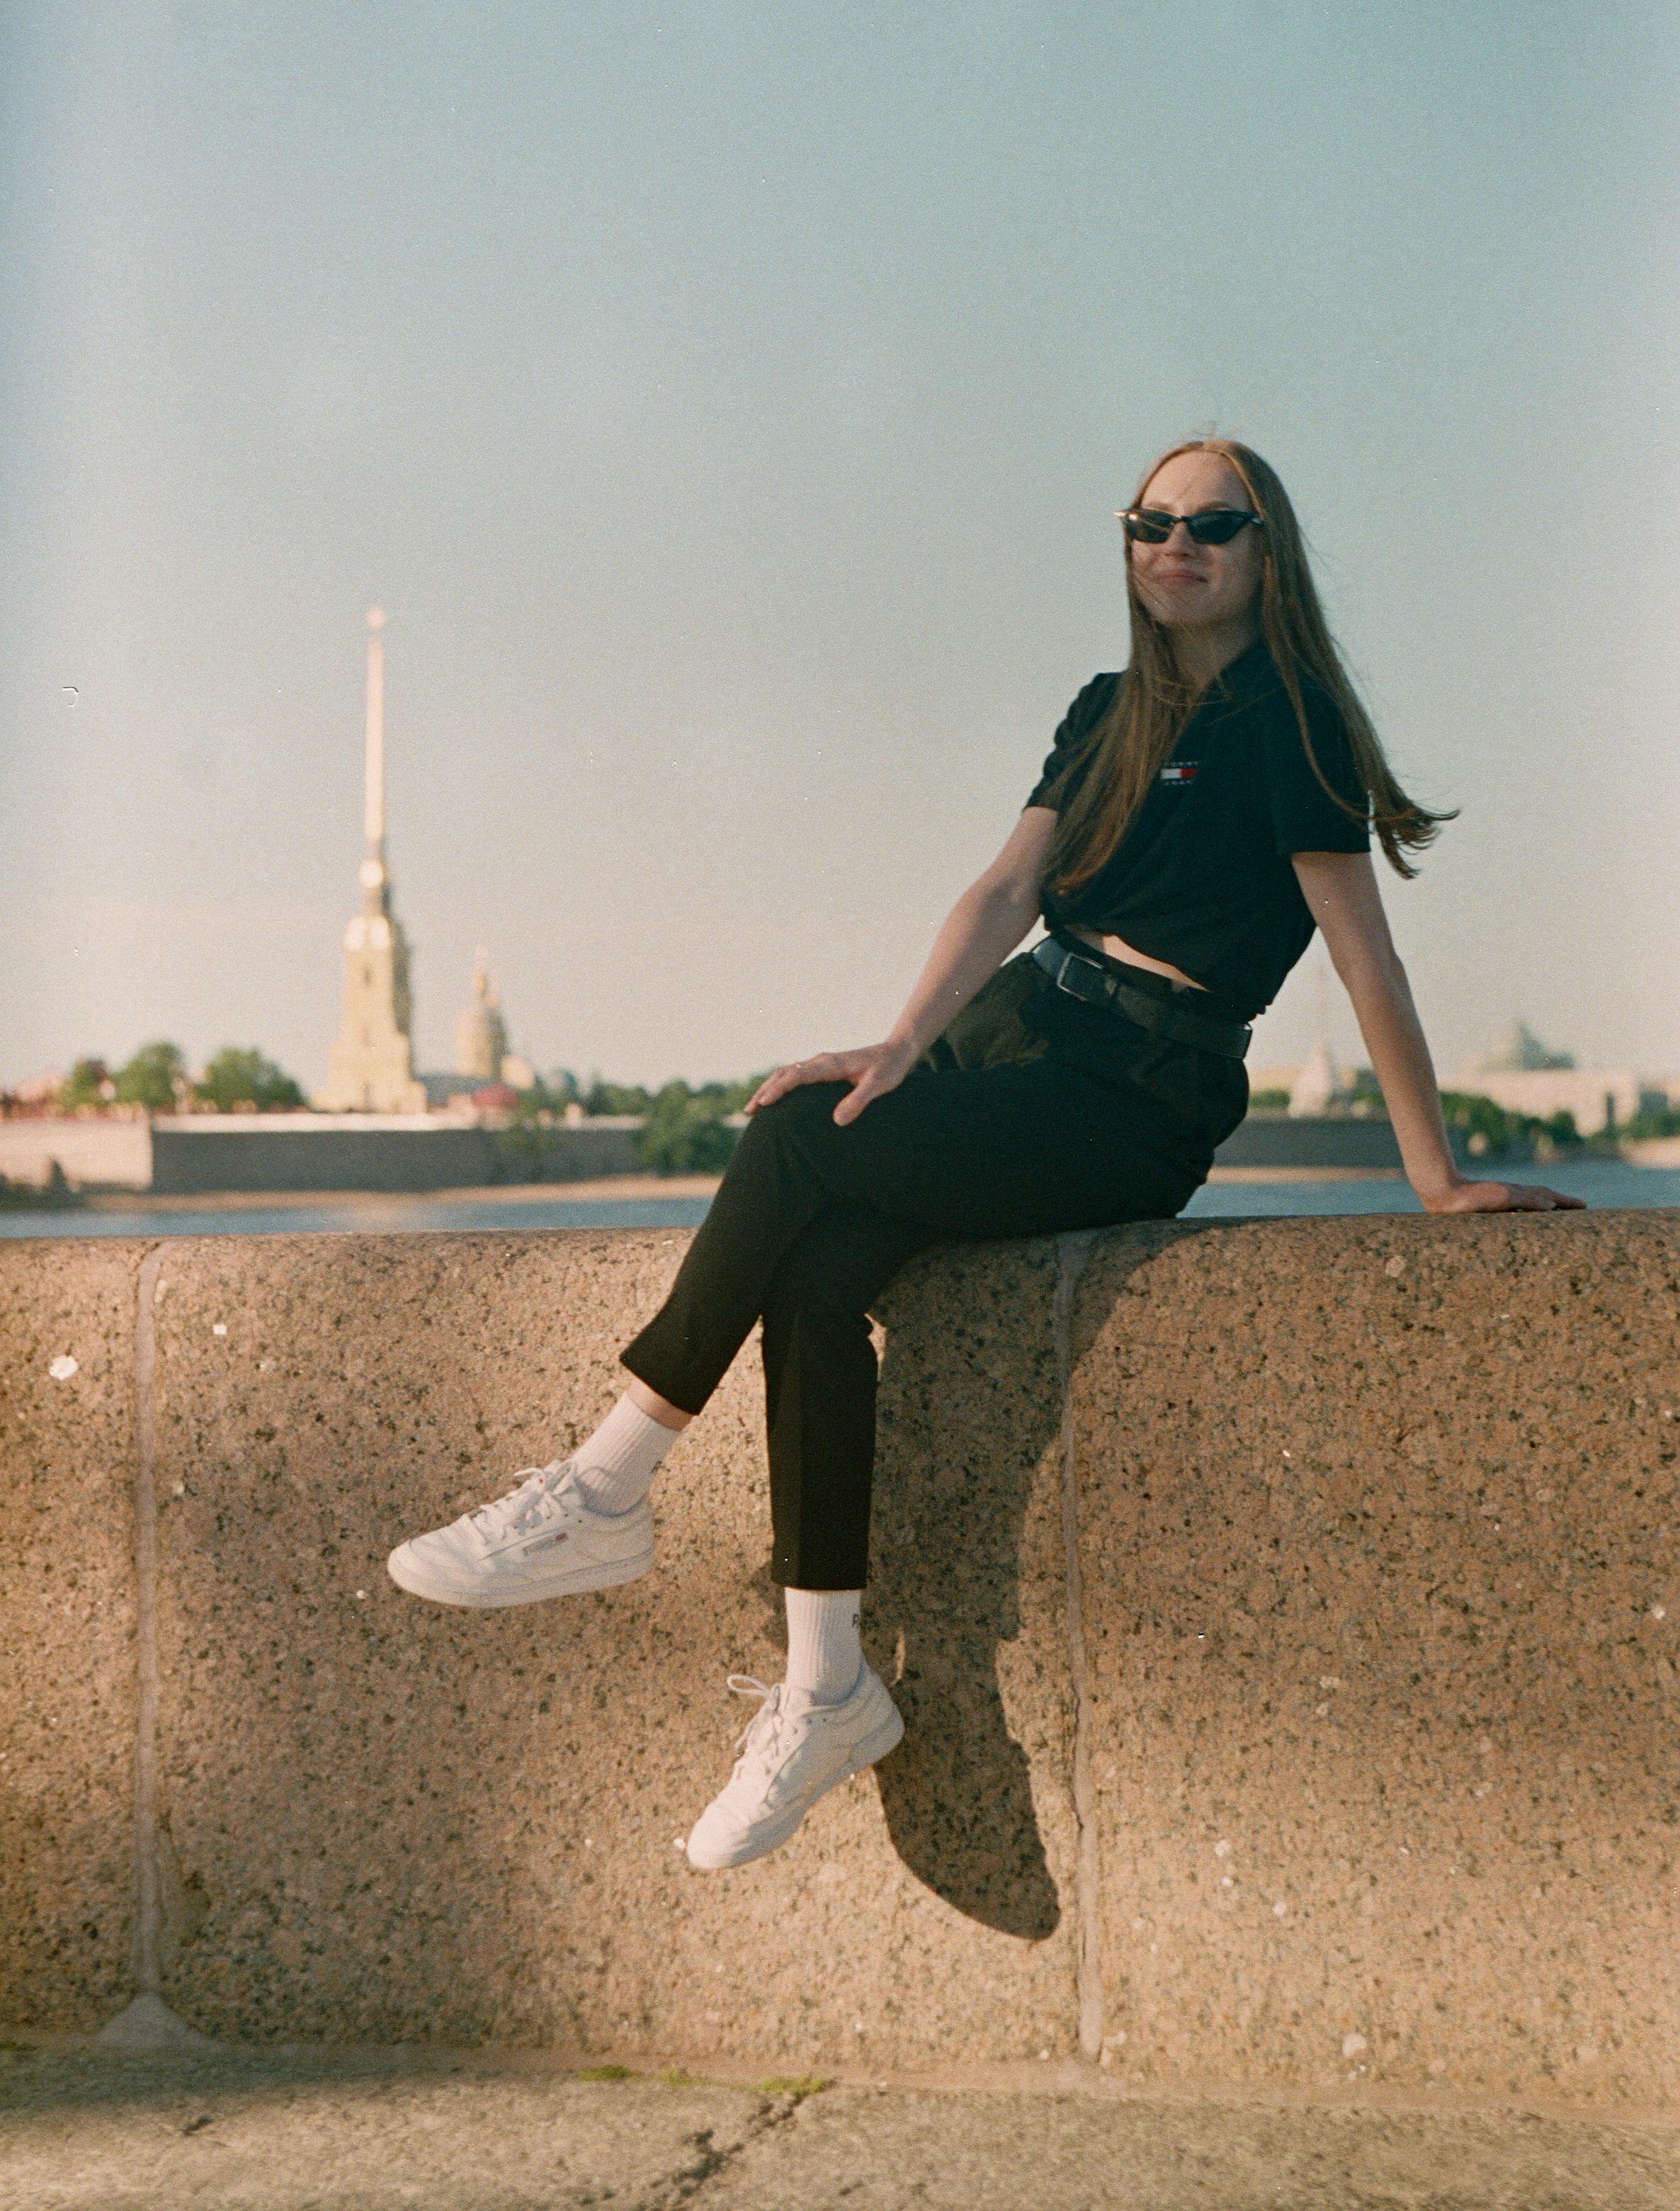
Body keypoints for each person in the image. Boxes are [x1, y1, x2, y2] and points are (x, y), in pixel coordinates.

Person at [387, 436, 1582, 1868]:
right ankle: (827, 1679)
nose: (1177, 543)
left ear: (1268, 548)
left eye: (1214, 522)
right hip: (1013, 1029)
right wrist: (899, 1042)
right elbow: (1008, 886)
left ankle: (604, 1485)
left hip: (1135, 1088)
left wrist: (1431, 1175)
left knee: (783, 1144)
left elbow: (1363, 954)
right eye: (1151, 521)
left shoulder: (1296, 721)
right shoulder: (1107, 710)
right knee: (815, 1267)